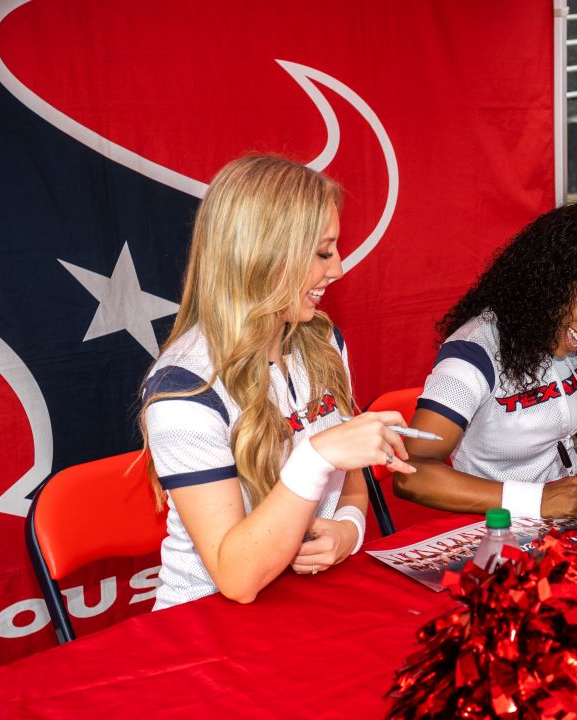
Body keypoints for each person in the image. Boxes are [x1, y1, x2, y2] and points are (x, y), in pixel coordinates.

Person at [139, 154, 415, 608]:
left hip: (304, 601)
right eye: (323, 252)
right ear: (263, 255)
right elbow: (237, 578)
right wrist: (315, 456)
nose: (338, 269)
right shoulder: (184, 388)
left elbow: (350, 478)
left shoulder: (322, 341)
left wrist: (349, 527)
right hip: (205, 623)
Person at [393, 201, 577, 519]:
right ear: (554, 276)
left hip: (573, 506)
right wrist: (537, 500)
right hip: (500, 524)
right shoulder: (473, 355)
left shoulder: (567, 333)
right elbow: (412, 474)